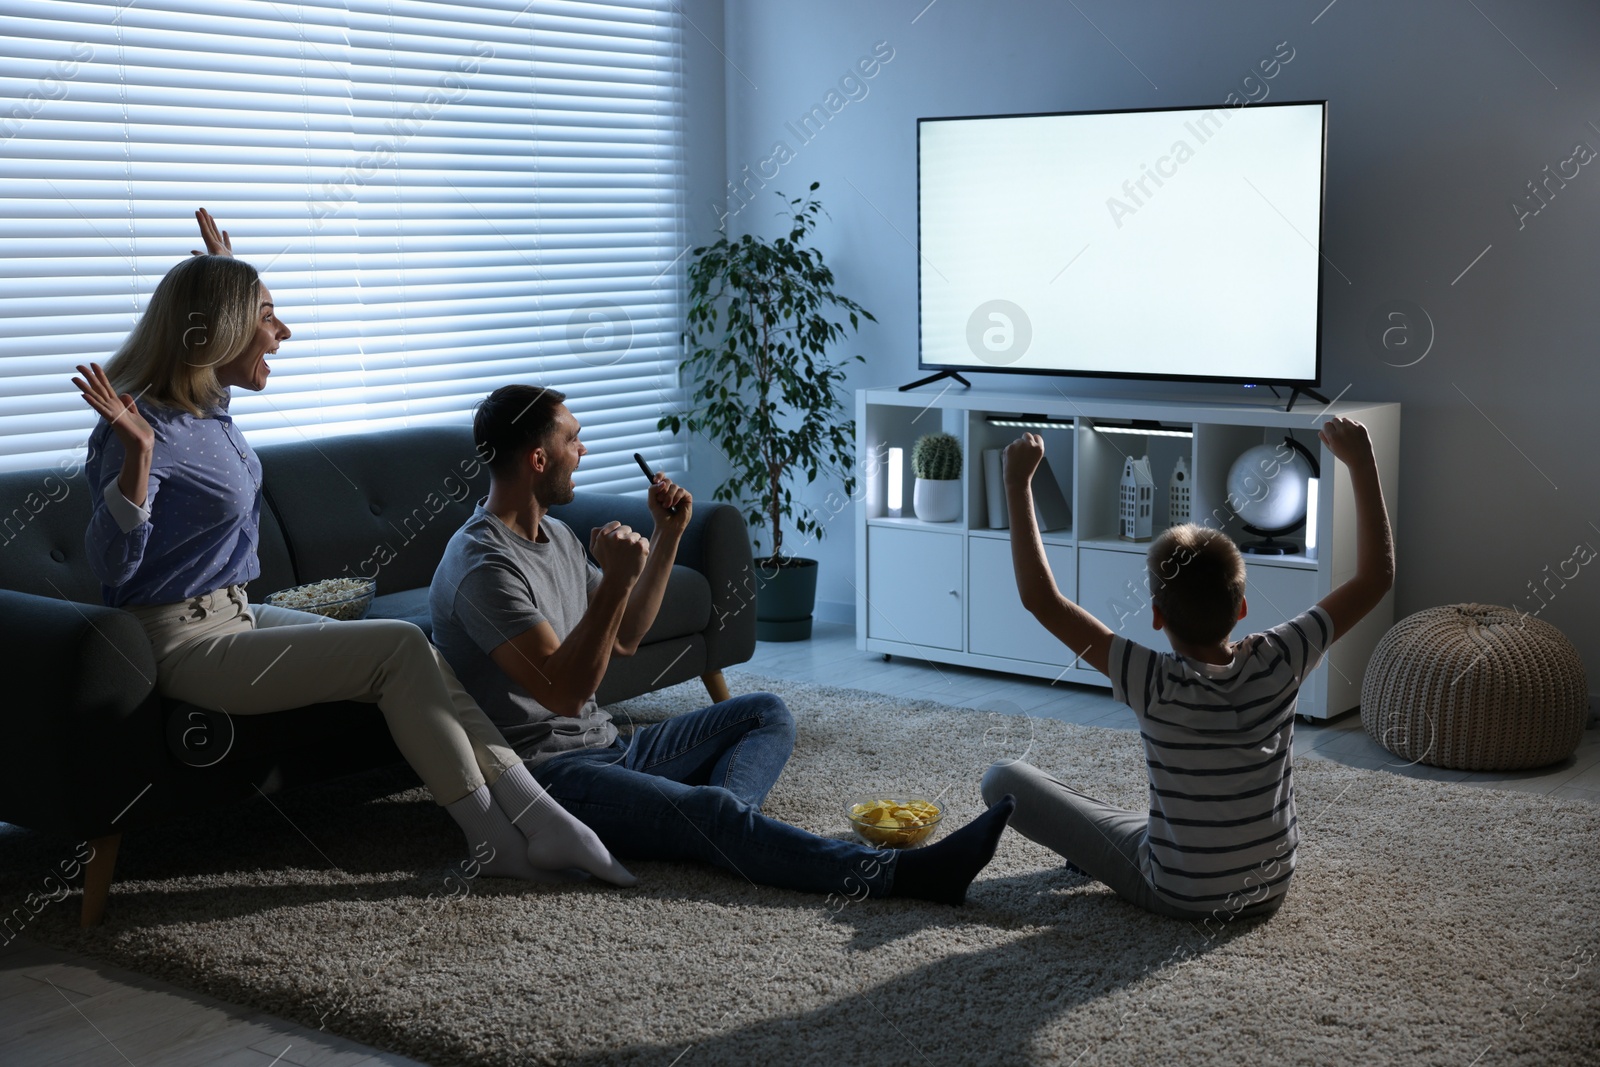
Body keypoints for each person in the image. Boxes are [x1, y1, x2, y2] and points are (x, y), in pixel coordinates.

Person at [73, 209, 633, 887]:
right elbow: (111, 571)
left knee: (416, 650)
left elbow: (207, 370)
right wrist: (135, 458)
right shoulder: (137, 430)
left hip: (237, 614)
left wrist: (225, 271)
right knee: (396, 646)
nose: (284, 333)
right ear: (221, 328)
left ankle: (540, 819)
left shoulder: (207, 409)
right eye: (268, 318)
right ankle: (500, 839)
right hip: (179, 643)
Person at [428, 384, 1016, 904]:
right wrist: (618, 578)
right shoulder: (481, 563)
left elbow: (627, 636)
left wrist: (667, 536)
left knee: (765, 713)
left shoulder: (553, 534)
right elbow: (563, 693)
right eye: (573, 440)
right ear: (537, 458)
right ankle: (903, 875)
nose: (582, 451)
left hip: (609, 746)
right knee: (711, 812)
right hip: (547, 777)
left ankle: (714, 830)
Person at [981, 418, 1394, 922]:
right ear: (1241, 608)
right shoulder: (1282, 656)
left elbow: (1041, 600)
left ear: (1156, 616)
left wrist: (1017, 482)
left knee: (1002, 778)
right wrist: (1361, 461)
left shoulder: (1149, 678)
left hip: (1180, 892)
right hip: (1270, 887)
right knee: (1141, 819)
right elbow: (1376, 577)